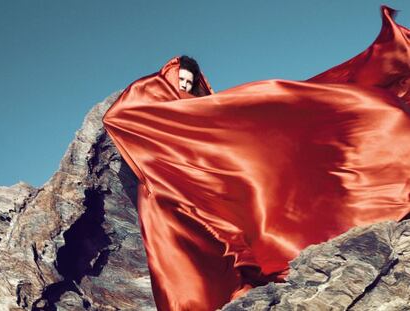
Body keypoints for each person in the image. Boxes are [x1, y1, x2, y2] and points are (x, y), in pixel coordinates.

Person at [102, 6, 410, 311]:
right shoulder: (154, 111)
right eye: (180, 80)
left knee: (224, 259)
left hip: (205, 198)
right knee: (181, 269)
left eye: (188, 82)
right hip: (167, 202)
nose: (184, 86)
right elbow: (118, 116)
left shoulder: (204, 116)